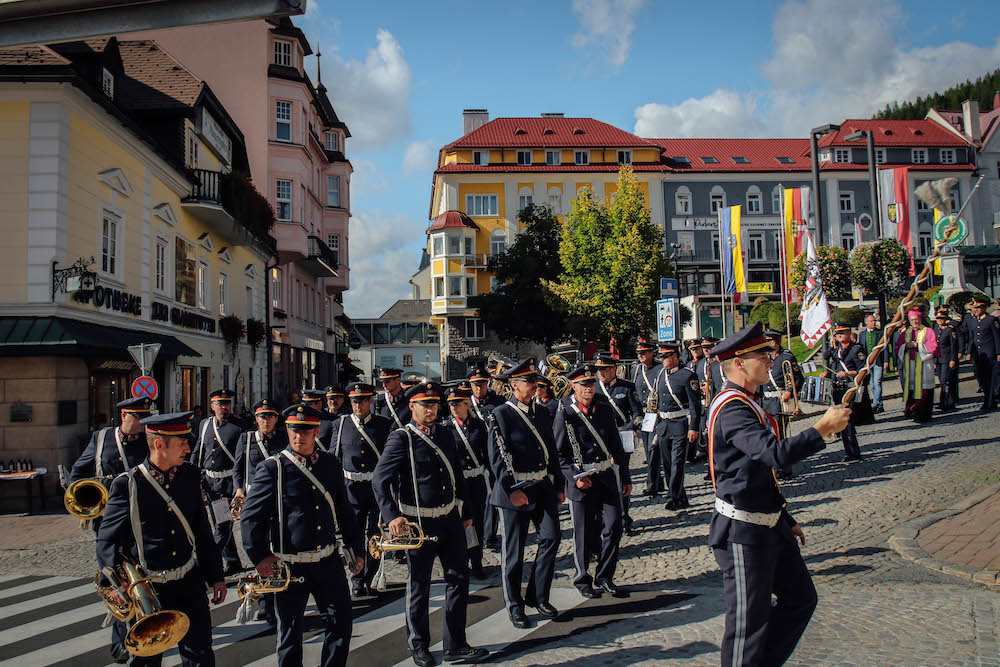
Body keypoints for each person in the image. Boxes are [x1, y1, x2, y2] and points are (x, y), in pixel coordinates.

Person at [707, 323, 851, 667]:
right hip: (743, 533)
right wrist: (822, 429)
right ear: (740, 363)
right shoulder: (732, 409)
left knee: (801, 598)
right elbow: (774, 455)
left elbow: (756, 474)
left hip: (769, 525)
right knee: (747, 627)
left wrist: (784, 517)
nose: (771, 359)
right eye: (762, 355)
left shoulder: (748, 402)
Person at [97, 411, 227, 667]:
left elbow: (201, 531)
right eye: (182, 444)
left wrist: (216, 577)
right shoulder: (129, 484)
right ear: (159, 444)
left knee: (200, 655)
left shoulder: (190, 476)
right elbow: (107, 539)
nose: (188, 449)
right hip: (150, 589)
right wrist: (112, 583)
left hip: (189, 582)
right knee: (146, 660)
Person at [373, 382, 489, 667]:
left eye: (434, 405)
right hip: (419, 523)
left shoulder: (447, 435)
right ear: (412, 407)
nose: (430, 410)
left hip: (449, 518)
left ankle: (455, 643)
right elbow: (380, 479)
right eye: (425, 405)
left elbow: (457, 475)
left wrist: (466, 512)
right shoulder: (402, 438)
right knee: (419, 587)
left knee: (459, 580)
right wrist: (392, 516)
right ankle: (419, 645)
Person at [241, 404, 365, 667]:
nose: (300, 437)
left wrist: (357, 548)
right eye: (295, 431)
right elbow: (252, 517)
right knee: (290, 633)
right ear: (287, 431)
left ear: (316, 431)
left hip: (327, 561)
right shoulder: (272, 468)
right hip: (290, 564)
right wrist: (260, 556)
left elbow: (344, 510)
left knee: (340, 624)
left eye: (306, 431)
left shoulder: (330, 464)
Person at [70, 396, 152, 663]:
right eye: (138, 417)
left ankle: (144, 630)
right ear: (124, 415)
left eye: (145, 417)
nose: (142, 422)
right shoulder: (102, 437)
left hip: (139, 521)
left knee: (138, 581)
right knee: (117, 582)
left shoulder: (148, 441)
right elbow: (80, 470)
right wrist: (84, 496)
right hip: (107, 522)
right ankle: (121, 641)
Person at [486, 358, 565, 629]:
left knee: (552, 537)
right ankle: (515, 606)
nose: (535, 386)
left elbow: (551, 451)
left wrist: (559, 486)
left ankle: (538, 595)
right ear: (513, 385)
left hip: (541, 485)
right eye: (529, 382)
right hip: (515, 489)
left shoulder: (542, 412)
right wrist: (510, 490)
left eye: (535, 382)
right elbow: (496, 457)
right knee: (514, 553)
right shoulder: (501, 414)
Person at [553, 363, 631, 599]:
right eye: (584, 384)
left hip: (606, 476)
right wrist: (573, 479)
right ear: (574, 387)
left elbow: (616, 445)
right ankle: (582, 577)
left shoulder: (604, 408)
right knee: (583, 533)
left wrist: (625, 476)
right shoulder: (565, 411)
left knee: (615, 526)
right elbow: (558, 453)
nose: (589, 388)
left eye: (591, 383)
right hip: (581, 480)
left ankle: (605, 576)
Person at [325, 382, 392, 598]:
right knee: (352, 536)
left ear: (371, 401)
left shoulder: (383, 425)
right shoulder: (341, 424)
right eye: (354, 401)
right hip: (350, 489)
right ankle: (356, 577)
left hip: (375, 488)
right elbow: (334, 458)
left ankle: (371, 575)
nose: (358, 406)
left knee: (375, 535)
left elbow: (390, 459)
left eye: (362, 401)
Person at [232, 399, 288, 625]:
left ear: (276, 419)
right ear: (256, 419)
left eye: (270, 417)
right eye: (262, 417)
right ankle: (265, 599)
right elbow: (238, 468)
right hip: (254, 502)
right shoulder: (246, 439)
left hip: (278, 500)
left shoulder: (284, 439)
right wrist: (237, 489)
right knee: (258, 549)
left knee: (277, 550)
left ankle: (277, 598)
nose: (266, 421)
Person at [193, 388, 244, 576]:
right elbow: (199, 452)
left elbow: (242, 459)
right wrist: (193, 475)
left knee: (222, 526)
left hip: (229, 483)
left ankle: (208, 564)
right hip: (210, 483)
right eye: (221, 404)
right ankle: (233, 562)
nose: (225, 407)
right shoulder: (205, 425)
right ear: (212, 406)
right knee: (219, 524)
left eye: (227, 403)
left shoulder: (239, 427)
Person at [444, 383, 490, 580]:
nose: (454, 408)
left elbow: (487, 453)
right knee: (460, 523)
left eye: (458, 404)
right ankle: (461, 561)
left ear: (466, 403)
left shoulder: (479, 425)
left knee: (477, 522)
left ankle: (477, 562)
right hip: (458, 483)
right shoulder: (446, 428)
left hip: (477, 481)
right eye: (451, 404)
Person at [594, 354, 642, 533]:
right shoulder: (594, 388)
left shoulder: (627, 387)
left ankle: (624, 517)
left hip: (621, 439)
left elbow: (638, 414)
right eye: (599, 370)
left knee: (622, 478)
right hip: (599, 440)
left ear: (614, 369)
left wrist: (629, 428)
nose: (601, 373)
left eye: (604, 369)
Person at [652, 343, 702, 511]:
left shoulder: (688, 376)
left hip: (680, 423)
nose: (662, 360)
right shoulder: (661, 375)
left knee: (677, 462)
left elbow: (695, 405)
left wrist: (694, 427)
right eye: (661, 357)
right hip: (664, 424)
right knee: (666, 463)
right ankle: (681, 497)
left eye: (665, 357)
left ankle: (673, 496)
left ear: (675, 357)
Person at [468, 364, 504, 551]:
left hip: (495, 454)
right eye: (475, 385)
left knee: (492, 494)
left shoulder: (497, 402)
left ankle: (490, 535)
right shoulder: (466, 404)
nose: (479, 388)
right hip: (477, 456)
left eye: (482, 384)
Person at [761, 330, 805, 479]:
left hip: (780, 402)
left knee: (780, 437)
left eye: (772, 341)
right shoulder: (763, 358)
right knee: (768, 437)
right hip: (766, 402)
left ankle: (784, 468)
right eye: (767, 341)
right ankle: (773, 465)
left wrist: (790, 391)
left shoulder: (786, 357)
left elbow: (798, 379)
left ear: (778, 341)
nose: (769, 344)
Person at [822, 324, 864, 462]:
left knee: (848, 421)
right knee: (841, 422)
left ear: (849, 333)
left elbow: (863, 370)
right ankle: (848, 451)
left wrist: (847, 373)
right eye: (837, 334)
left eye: (841, 333)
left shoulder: (856, 349)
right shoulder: (837, 350)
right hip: (837, 389)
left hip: (849, 388)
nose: (838, 336)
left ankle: (854, 452)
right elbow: (826, 356)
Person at [895, 309, 939, 423]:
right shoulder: (906, 333)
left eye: (916, 319)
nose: (914, 322)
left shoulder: (928, 331)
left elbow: (932, 347)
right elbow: (898, 347)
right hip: (911, 365)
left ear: (920, 319)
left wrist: (918, 345)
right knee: (912, 390)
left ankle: (925, 414)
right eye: (912, 320)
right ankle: (914, 412)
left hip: (924, 365)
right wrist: (906, 346)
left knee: (924, 390)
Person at [632, 340, 664, 496]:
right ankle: (658, 480)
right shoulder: (637, 369)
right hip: (643, 415)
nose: (641, 356)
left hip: (656, 413)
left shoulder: (660, 369)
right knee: (648, 449)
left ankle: (652, 483)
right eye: (639, 353)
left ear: (652, 353)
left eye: (644, 353)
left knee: (654, 448)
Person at [963, 294, 1000, 411]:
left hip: (989, 353)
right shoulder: (974, 321)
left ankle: (989, 402)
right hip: (978, 354)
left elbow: (997, 337)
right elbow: (972, 338)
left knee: (989, 378)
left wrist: (998, 353)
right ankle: (988, 399)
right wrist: (969, 352)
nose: (976, 310)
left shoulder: (991, 320)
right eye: (974, 308)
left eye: (978, 308)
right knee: (981, 378)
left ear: (984, 308)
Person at [858, 314, 886, 414]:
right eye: (871, 321)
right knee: (872, 383)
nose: (873, 323)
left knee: (877, 383)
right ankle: (879, 404)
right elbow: (860, 348)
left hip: (878, 361)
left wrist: (886, 361)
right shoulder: (862, 334)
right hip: (867, 363)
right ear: (866, 323)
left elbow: (884, 348)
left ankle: (875, 403)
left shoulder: (880, 333)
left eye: (874, 321)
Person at [933, 309, 960, 412]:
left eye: (942, 318)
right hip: (938, 359)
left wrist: (953, 359)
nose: (940, 320)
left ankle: (946, 402)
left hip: (946, 358)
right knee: (941, 380)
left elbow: (953, 346)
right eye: (938, 318)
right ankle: (945, 401)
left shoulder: (950, 330)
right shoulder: (935, 329)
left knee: (945, 380)